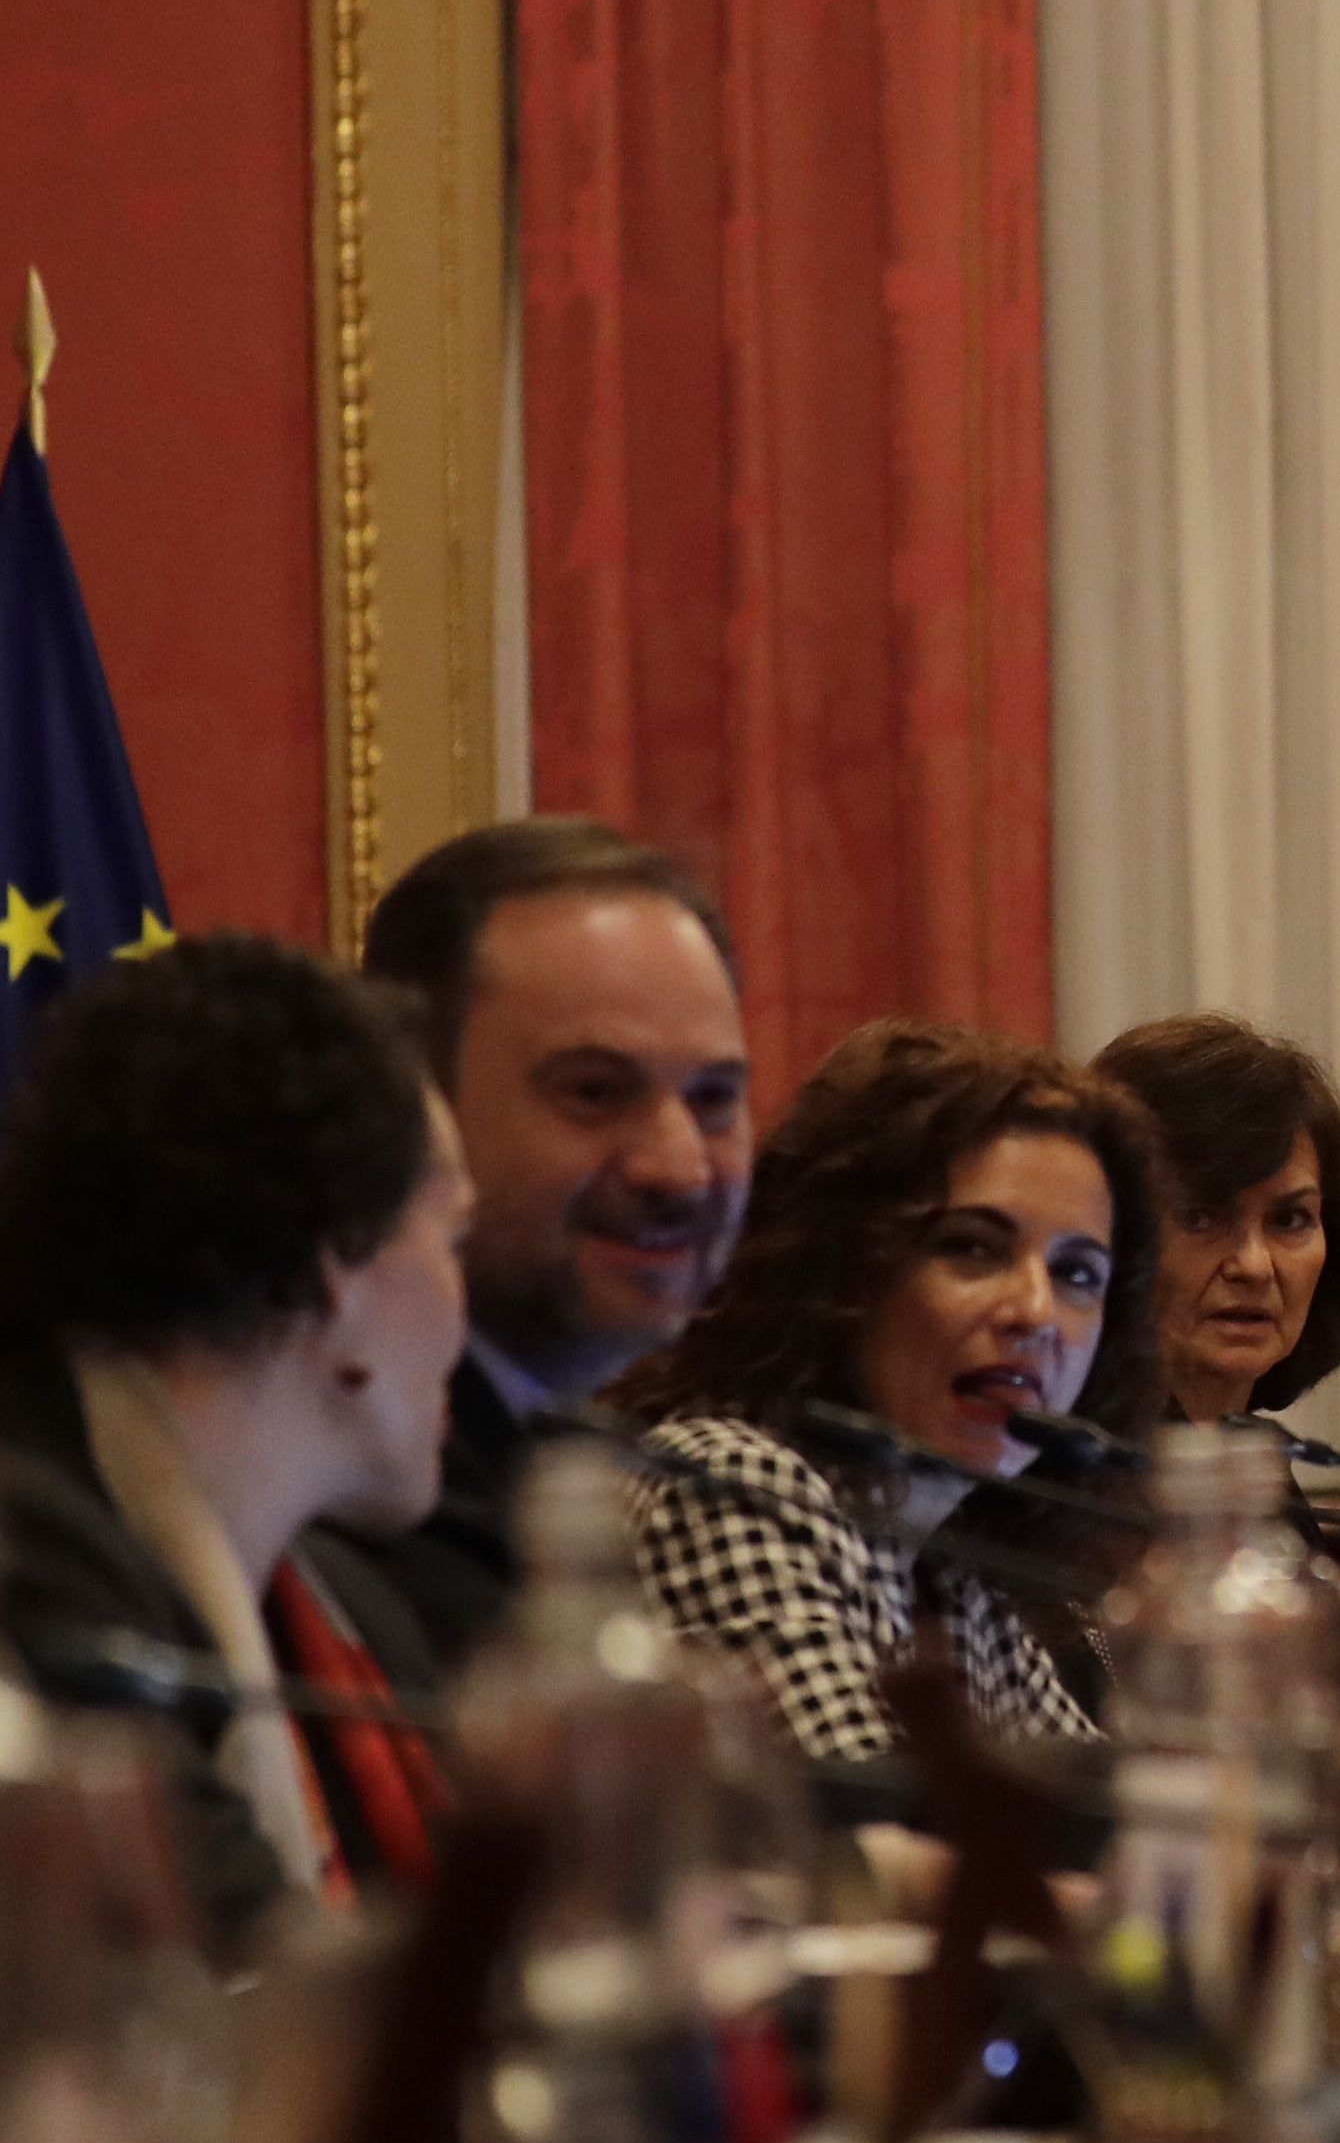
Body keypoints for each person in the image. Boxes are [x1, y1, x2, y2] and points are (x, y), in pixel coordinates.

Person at [0, 936, 475, 1946]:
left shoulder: (353, 1617)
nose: (462, 1322)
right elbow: (230, 1968)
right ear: (336, 1269)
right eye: (453, 1238)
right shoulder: (36, 1564)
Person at [611, 1022, 1158, 1764]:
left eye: (1076, 1273)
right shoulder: (730, 1481)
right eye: (971, 1247)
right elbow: (881, 1824)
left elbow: (1095, 1817)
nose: (1034, 1310)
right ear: (844, 1267)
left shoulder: (951, 1560)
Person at [347, 818, 756, 1667]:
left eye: (714, 1098)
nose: (679, 1169)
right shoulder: (360, 1467)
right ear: (418, 1106)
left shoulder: (577, 1452)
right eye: (596, 1092)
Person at [1089, 1014, 1340, 1429]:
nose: (1254, 1266)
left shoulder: (1259, 1463)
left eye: (1289, 1219)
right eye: (1200, 1217)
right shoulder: (1044, 1478)